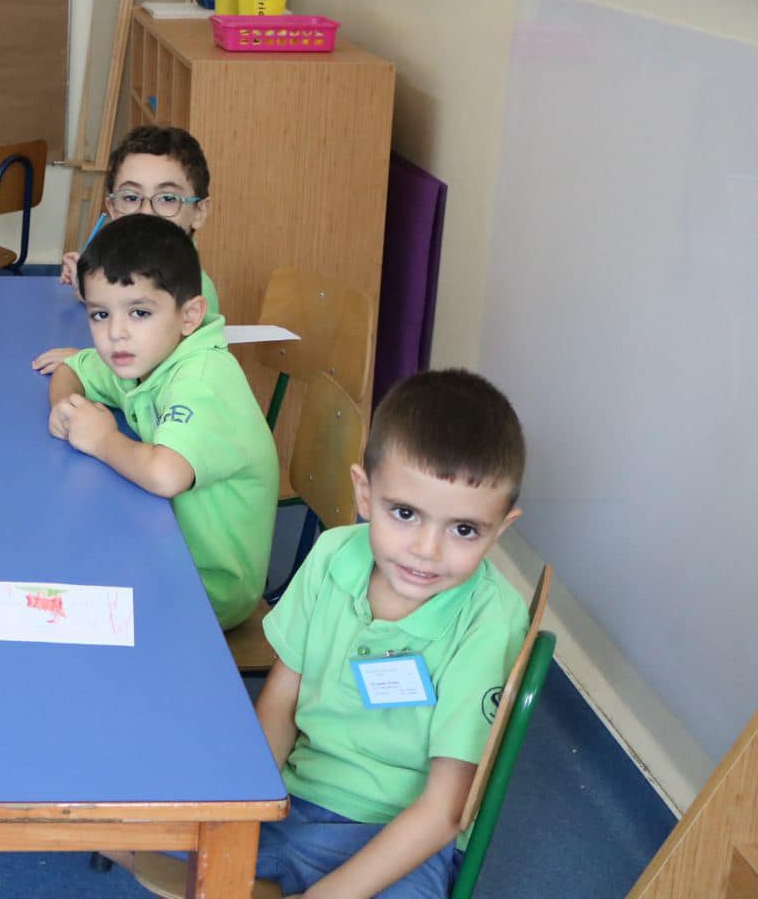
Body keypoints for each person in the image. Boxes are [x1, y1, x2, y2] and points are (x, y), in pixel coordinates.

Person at [254, 368, 530, 898]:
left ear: (500, 529)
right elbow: (282, 697)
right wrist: (249, 805)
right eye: (404, 513)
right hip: (295, 798)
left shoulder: (490, 623)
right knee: (145, 819)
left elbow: (445, 810)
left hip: (398, 834)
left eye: (464, 529)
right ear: (365, 493)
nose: (426, 551)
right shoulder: (332, 556)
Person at [46, 214, 277, 629]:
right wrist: (67, 409)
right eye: (100, 315)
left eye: (139, 312)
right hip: (159, 543)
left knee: (57, 588)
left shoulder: (203, 379)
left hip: (207, 586)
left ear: (189, 316)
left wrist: (100, 439)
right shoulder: (145, 355)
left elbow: (166, 475)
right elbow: (73, 368)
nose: (116, 333)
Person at [34, 124, 219, 376]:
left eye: (167, 199)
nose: (146, 212)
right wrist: (90, 290)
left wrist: (90, 363)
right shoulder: (142, 268)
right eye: (131, 197)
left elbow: (162, 379)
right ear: (112, 207)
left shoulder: (196, 290)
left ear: (199, 212)